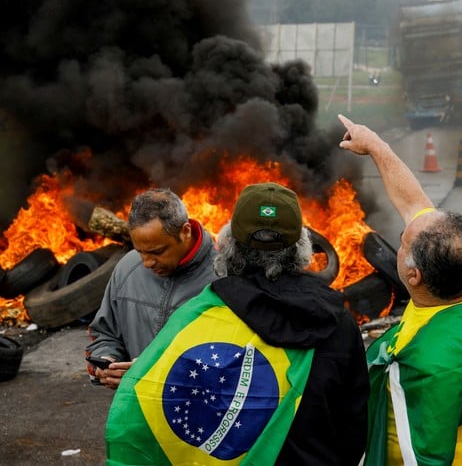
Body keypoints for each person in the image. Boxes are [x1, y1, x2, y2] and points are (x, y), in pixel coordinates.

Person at [104, 182, 369, 465]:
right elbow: (354, 422)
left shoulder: (199, 315)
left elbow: (164, 404)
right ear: (301, 246)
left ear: (229, 245)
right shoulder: (339, 321)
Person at [337, 114, 462, 466]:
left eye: (403, 243)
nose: (400, 237)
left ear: (414, 277)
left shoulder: (426, 365)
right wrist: (376, 145)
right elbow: (414, 203)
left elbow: (423, 456)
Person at [86, 188, 217, 389]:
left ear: (185, 232)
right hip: (135, 410)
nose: (146, 263)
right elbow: (104, 332)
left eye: (157, 252)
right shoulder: (127, 268)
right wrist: (106, 361)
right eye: (140, 251)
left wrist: (157, 370)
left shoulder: (223, 276)